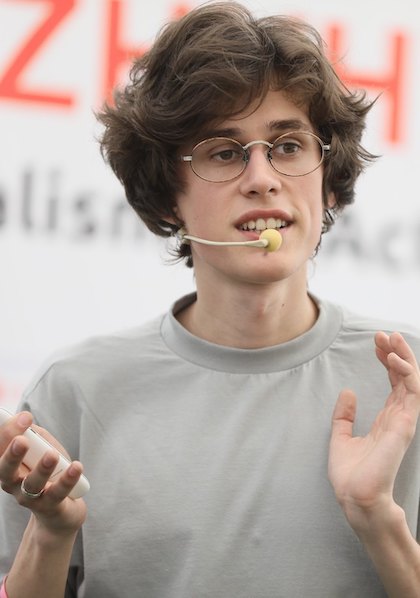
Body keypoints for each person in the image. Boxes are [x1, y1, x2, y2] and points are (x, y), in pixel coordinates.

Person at [0, 2, 419, 596]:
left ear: (328, 180)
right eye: (224, 152)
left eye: (289, 146)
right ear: (168, 196)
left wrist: (378, 518)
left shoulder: (406, 380)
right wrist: (51, 531)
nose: (262, 178)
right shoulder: (75, 389)